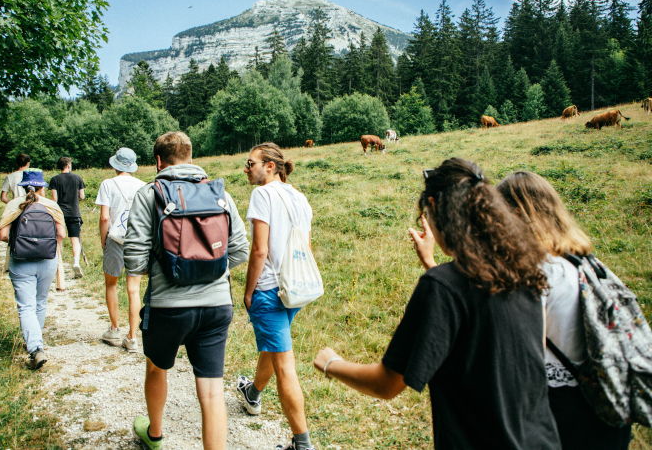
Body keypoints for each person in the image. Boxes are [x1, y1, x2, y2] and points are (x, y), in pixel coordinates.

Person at [313, 158, 561, 450]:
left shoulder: (442, 288)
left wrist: (332, 364)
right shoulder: (524, 273)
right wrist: (432, 263)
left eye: (425, 213)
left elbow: (388, 384)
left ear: (433, 205)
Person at [123, 132, 249, 450]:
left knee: (156, 367)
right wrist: (210, 270)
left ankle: (154, 435)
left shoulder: (148, 194)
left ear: (158, 162)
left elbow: (135, 262)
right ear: (191, 158)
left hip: (167, 307)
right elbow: (240, 250)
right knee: (211, 390)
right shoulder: (218, 193)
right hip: (217, 305)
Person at [497, 171, 632, 450]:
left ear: (515, 216)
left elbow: (524, 357)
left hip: (564, 411)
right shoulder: (589, 263)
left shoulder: (536, 273)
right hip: (608, 399)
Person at [237, 142, 316, 450]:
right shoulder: (300, 197)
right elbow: (305, 247)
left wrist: (248, 291)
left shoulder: (262, 194)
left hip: (269, 290)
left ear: (270, 166)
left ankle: (302, 444)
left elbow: (259, 250)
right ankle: (253, 393)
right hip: (295, 289)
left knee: (285, 364)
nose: (247, 168)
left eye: (251, 163)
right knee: (275, 345)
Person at [0, 169, 66, 370]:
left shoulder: (14, 205)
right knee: (40, 301)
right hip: (47, 260)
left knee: (25, 306)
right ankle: (36, 342)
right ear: (42, 186)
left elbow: (3, 236)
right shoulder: (51, 206)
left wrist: (22, 241)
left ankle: (35, 348)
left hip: (21, 261)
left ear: (22, 186)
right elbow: (61, 234)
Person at [94, 148, 146, 352]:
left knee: (111, 285)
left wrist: (103, 240)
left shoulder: (107, 184)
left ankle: (115, 329)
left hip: (114, 239)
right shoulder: (143, 186)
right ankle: (132, 338)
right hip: (136, 241)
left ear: (115, 164)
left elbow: (105, 217)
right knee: (134, 289)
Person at [49, 156, 86, 278]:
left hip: (60, 213)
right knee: (74, 239)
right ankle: (76, 262)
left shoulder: (55, 179)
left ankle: (59, 264)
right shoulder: (77, 178)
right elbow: (82, 196)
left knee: (59, 238)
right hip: (74, 213)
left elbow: (54, 199)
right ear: (69, 165)